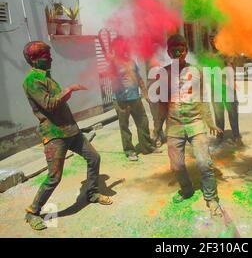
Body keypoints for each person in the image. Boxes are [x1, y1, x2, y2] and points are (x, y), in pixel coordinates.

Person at [22, 41, 112, 231]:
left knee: (94, 158)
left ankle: (92, 193)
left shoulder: (46, 77)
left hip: (70, 130)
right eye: (46, 56)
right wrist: (69, 89)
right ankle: (32, 212)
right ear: (34, 59)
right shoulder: (31, 81)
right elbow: (50, 104)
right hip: (55, 134)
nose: (51, 58)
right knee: (54, 177)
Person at [154, 34, 224, 217]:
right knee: (176, 165)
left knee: (204, 163)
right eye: (174, 49)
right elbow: (161, 104)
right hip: (174, 125)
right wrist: (157, 128)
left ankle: (211, 197)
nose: (178, 52)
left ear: (186, 51)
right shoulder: (164, 74)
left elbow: (203, 99)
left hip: (195, 122)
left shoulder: (197, 71)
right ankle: (187, 190)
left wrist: (210, 122)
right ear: (169, 52)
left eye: (182, 49)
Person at [108, 36, 159, 161]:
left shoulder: (131, 61)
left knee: (143, 122)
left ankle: (147, 147)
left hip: (135, 98)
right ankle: (130, 151)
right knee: (124, 126)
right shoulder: (113, 64)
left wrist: (145, 93)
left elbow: (139, 78)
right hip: (121, 100)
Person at [207, 34, 245, 148]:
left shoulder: (226, 54)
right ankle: (220, 136)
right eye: (211, 41)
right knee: (218, 114)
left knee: (233, 113)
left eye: (215, 40)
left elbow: (230, 68)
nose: (213, 42)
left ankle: (236, 136)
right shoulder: (209, 56)